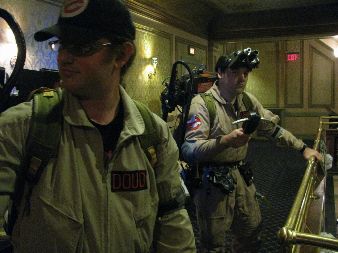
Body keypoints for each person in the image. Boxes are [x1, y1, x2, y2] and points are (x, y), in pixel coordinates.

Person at [0, 0, 196, 252]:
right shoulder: (22, 127)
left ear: (122, 55)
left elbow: (173, 225)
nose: (64, 57)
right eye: (62, 44)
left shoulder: (154, 135)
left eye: (81, 46)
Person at [181, 48, 322, 253]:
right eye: (235, 72)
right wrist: (225, 141)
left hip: (240, 176)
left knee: (251, 233)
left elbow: (272, 129)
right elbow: (190, 149)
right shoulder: (202, 104)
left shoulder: (247, 100)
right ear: (220, 73)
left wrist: (303, 148)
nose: (242, 78)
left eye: (246, 73)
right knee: (213, 244)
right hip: (211, 183)